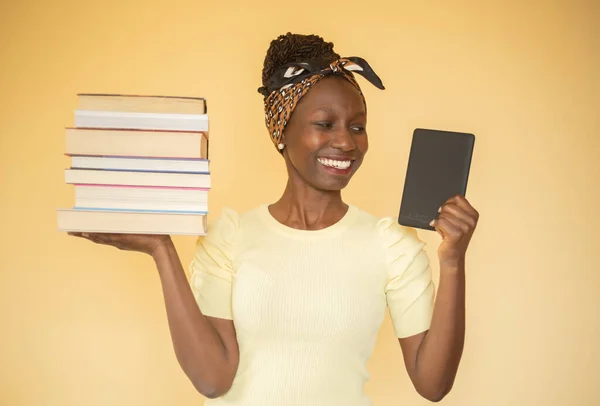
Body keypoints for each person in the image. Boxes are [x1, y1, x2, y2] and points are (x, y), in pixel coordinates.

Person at [69, 33, 479, 405]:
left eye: (357, 127)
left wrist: (453, 261)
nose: (345, 141)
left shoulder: (390, 245)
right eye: (324, 124)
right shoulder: (229, 238)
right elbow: (213, 380)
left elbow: (433, 384)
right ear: (281, 131)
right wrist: (161, 249)